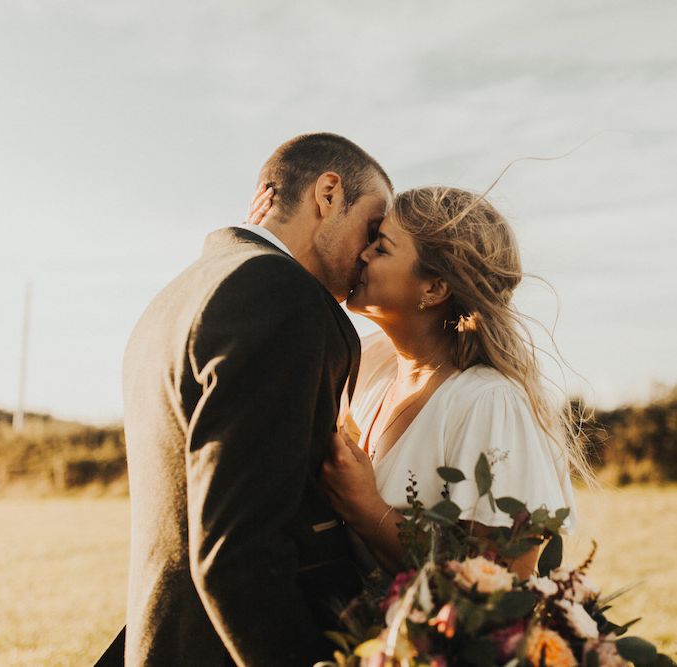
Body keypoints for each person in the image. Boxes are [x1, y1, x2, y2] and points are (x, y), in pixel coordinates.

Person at [112, 133, 393, 666]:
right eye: (373, 228)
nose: (370, 253)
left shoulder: (183, 293)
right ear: (328, 193)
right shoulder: (279, 295)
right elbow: (239, 553)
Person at [251, 184, 585, 581]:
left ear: (435, 287)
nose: (362, 253)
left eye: (382, 246)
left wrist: (367, 508)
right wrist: (268, 245)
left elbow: (505, 577)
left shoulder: (487, 402)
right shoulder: (369, 362)